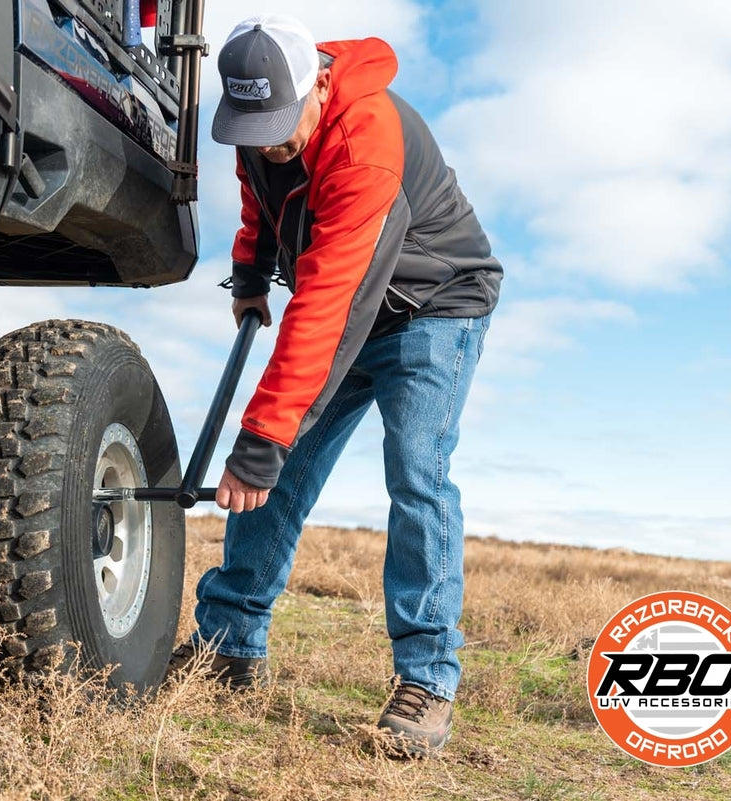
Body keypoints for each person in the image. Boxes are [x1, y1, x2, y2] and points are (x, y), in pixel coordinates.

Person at [166, 15, 503, 757]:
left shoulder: (365, 140)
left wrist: (258, 440)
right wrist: (251, 272)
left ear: (318, 83)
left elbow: (328, 303)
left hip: (436, 303)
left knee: (417, 471)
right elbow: (262, 198)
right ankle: (228, 643)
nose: (270, 140)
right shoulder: (262, 128)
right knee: (278, 473)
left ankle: (427, 679)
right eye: (253, 126)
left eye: (281, 125)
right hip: (352, 300)